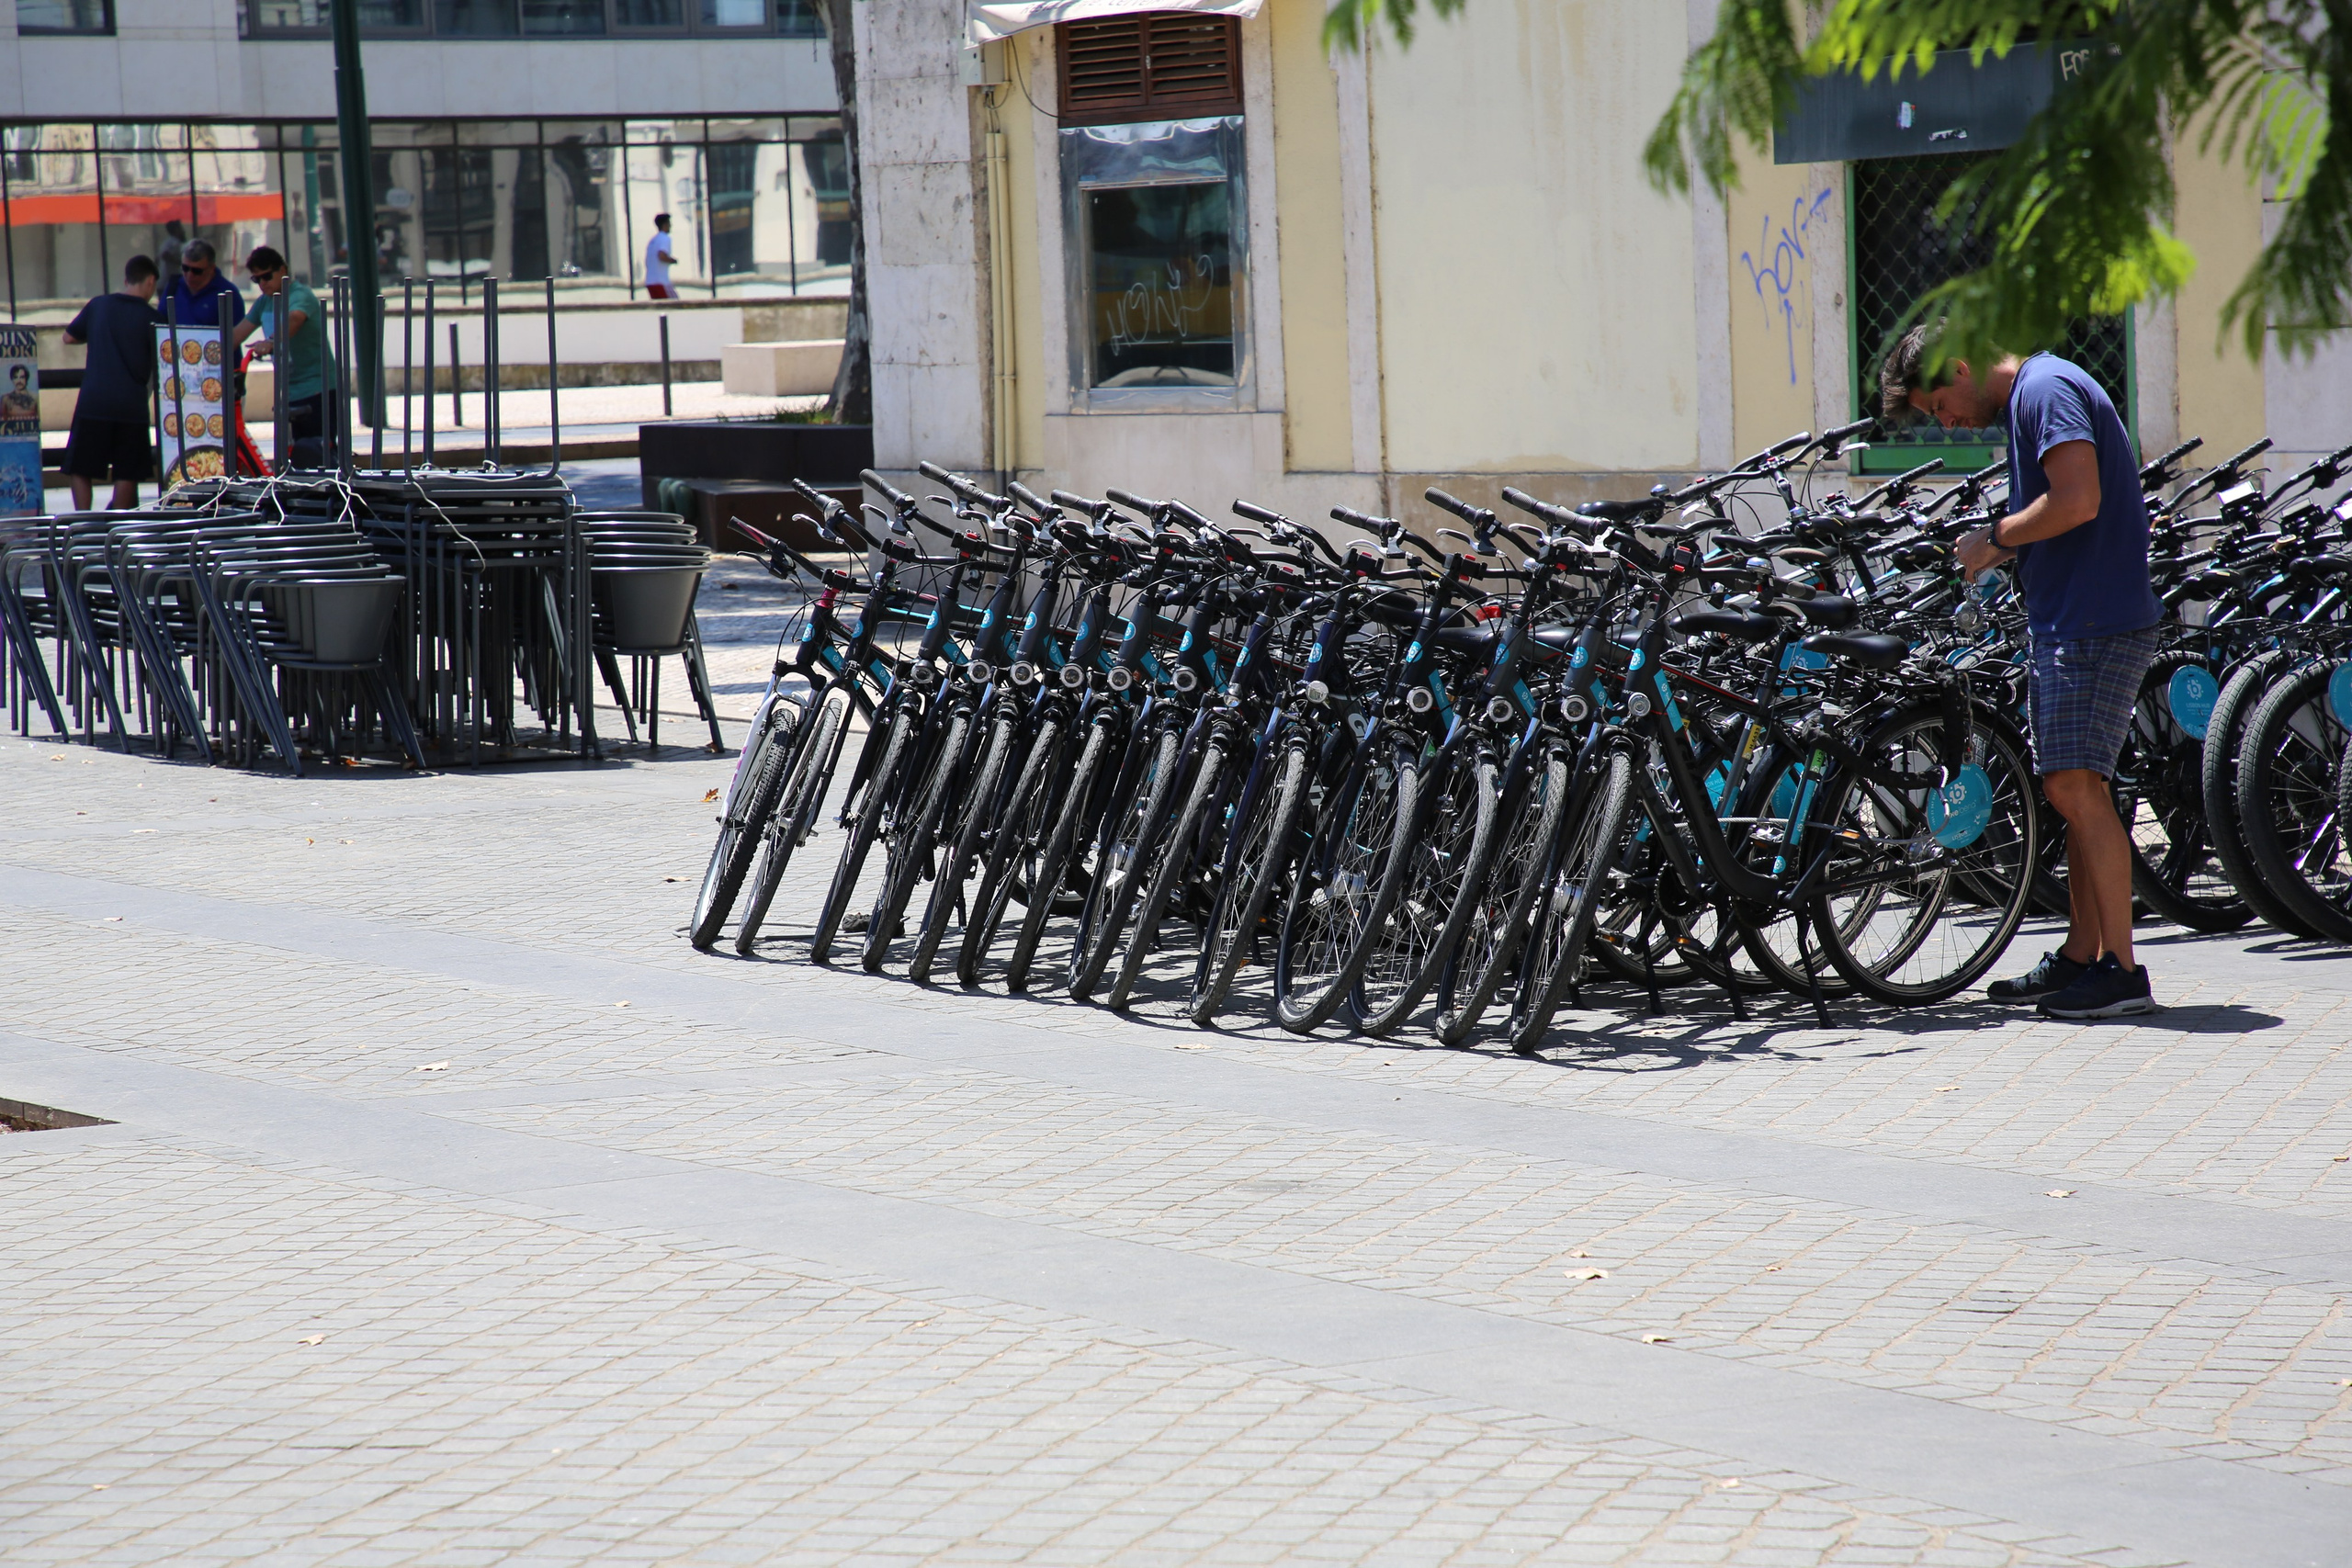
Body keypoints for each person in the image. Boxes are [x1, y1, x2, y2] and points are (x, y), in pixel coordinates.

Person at [1884, 324, 2165, 1020]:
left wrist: (1996, 538)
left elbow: (2078, 500)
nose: (1946, 423)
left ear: (1958, 366)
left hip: (2092, 622)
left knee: (2075, 787)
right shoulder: (2034, 399)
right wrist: (2000, 549)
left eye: (1940, 406)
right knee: (2074, 789)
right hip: (2076, 617)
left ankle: (2122, 973)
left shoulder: (2045, 390)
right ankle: (2080, 957)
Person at [60, 254, 164, 512]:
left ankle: (83, 522)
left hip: (94, 401)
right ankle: (117, 523)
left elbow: (68, 338)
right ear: (151, 281)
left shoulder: (99, 306)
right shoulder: (154, 318)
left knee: (81, 467)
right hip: (132, 406)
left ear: (126, 278)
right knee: (127, 470)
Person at [231, 245, 337, 469]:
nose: (263, 284)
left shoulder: (300, 295)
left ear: (283, 270)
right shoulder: (263, 302)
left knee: (318, 454)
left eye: (267, 276)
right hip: (289, 392)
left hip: (318, 389)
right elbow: (236, 335)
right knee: (297, 456)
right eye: (257, 279)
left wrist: (271, 342)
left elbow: (295, 319)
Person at [162, 239, 242, 333]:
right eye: (185, 268)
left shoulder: (228, 294)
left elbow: (235, 338)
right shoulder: (174, 287)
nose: (189, 275)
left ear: (211, 268)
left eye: (197, 271)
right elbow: (161, 324)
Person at [644, 213, 677, 300]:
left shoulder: (652, 240)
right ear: (665, 225)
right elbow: (661, 255)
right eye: (669, 223)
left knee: (660, 307)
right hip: (661, 281)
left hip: (650, 282)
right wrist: (672, 260)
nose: (671, 226)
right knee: (675, 304)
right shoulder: (665, 238)